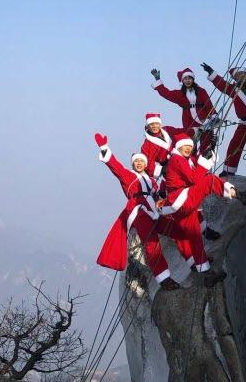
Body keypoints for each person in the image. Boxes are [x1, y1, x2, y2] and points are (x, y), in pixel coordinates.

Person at [94, 134, 176, 289]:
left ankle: (195, 259)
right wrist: (104, 148)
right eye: (136, 161)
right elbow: (115, 166)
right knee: (152, 243)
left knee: (175, 229)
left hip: (154, 210)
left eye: (141, 161)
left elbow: (159, 194)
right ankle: (164, 278)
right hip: (139, 211)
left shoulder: (151, 180)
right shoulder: (128, 175)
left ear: (145, 164)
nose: (139, 163)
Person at [159, 134, 236, 285]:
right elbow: (195, 178)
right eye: (185, 146)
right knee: (210, 180)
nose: (188, 148)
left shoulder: (185, 160)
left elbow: (197, 165)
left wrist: (209, 150)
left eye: (190, 146)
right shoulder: (177, 160)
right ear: (178, 146)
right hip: (181, 201)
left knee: (194, 238)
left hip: (183, 206)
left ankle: (206, 273)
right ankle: (237, 194)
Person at [203, 63, 246, 176]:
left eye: (240, 74)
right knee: (235, 143)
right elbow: (222, 85)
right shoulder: (234, 89)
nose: (239, 77)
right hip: (244, 122)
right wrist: (211, 73)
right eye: (236, 76)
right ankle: (229, 170)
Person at [152, 68, 217, 156]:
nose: (187, 81)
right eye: (185, 79)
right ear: (182, 80)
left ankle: (204, 165)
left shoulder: (201, 91)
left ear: (193, 79)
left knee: (205, 146)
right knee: (190, 145)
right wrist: (157, 79)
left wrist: (213, 115)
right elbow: (166, 93)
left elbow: (208, 103)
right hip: (189, 121)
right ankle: (190, 164)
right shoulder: (180, 94)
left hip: (204, 119)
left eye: (189, 78)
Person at [140, 112, 180, 179]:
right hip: (168, 168)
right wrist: (161, 169)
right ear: (147, 126)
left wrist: (195, 130)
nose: (155, 126)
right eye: (151, 124)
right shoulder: (146, 145)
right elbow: (147, 162)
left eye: (157, 124)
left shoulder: (168, 130)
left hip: (181, 161)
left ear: (160, 124)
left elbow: (181, 132)